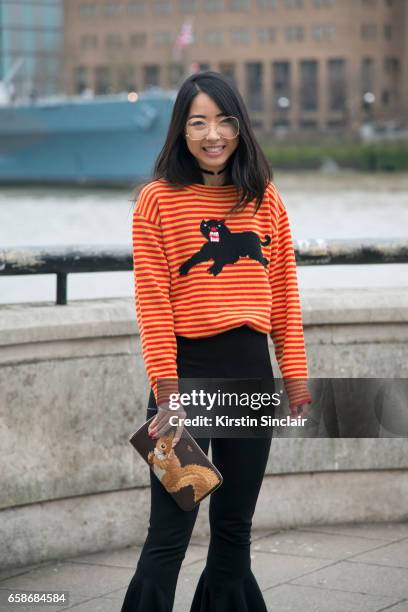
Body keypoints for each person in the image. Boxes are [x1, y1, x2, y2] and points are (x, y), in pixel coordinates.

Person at [121, 70, 312, 612]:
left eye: (225, 121)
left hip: (252, 376)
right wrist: (168, 395)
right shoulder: (156, 202)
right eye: (198, 121)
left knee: (234, 534)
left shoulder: (265, 199)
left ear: (240, 128)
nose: (213, 134)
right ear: (181, 131)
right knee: (169, 538)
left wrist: (294, 376)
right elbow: (153, 305)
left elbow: (284, 299)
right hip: (187, 380)